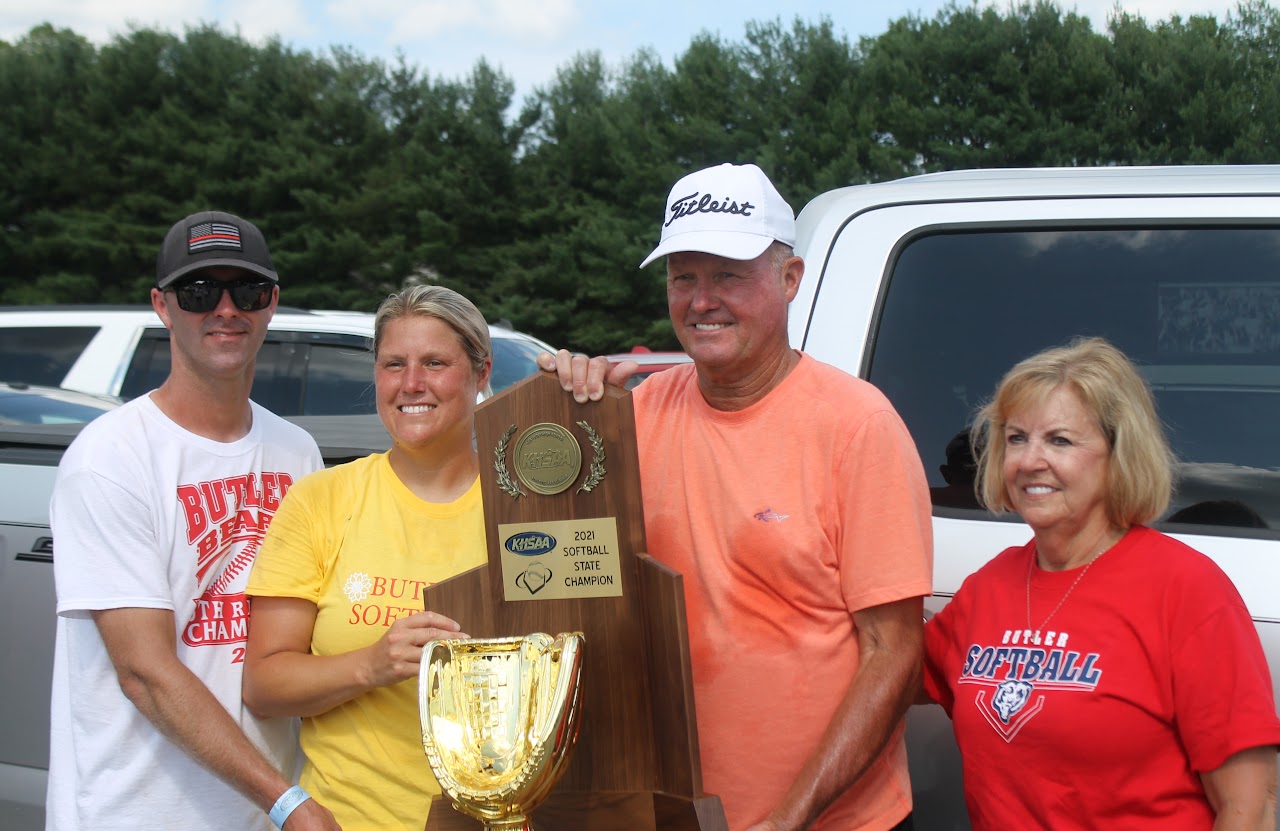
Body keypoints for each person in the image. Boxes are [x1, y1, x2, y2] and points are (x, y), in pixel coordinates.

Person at [541, 162, 933, 831]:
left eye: (727, 274)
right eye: (682, 276)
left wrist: (787, 819)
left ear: (789, 279)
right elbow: (553, 575)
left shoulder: (857, 425)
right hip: (672, 814)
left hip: (832, 821)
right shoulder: (633, 416)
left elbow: (893, 655)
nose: (701, 299)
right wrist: (561, 415)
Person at [47, 211, 340, 830]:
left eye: (248, 291)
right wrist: (287, 800)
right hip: (138, 814)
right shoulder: (110, 459)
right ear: (162, 305)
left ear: (273, 303)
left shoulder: (298, 452)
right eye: (200, 291)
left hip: (265, 816)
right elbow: (145, 674)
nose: (226, 309)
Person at [922, 337, 1280, 829]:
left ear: (1119, 454)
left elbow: (1249, 807)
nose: (1030, 461)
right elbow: (888, 669)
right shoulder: (990, 586)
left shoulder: (1187, 590)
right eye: (1017, 437)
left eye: (1060, 441)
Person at [243, 285, 490, 831]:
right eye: (393, 364)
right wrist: (372, 665)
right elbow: (263, 684)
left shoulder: (523, 504)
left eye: (435, 363)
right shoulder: (321, 499)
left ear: (480, 372)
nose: (411, 385)